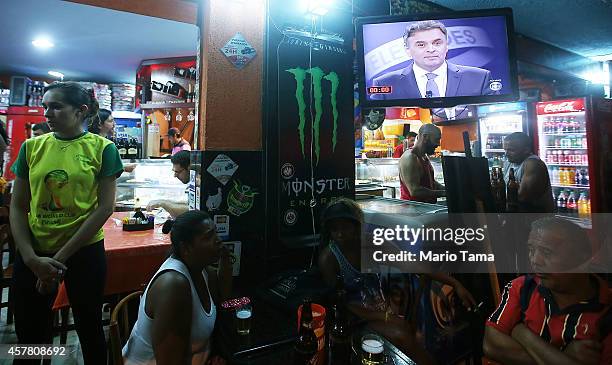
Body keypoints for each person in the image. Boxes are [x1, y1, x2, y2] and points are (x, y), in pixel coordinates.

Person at [10, 81, 123, 365]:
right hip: (34, 252)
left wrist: (58, 260)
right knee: (30, 333)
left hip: (83, 252)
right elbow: (19, 205)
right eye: (46, 106)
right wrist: (31, 258)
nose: (47, 113)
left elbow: (104, 208)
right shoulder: (31, 148)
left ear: (81, 110)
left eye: (56, 106)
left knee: (89, 327)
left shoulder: (103, 148)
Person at [318, 198, 475, 365]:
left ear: (357, 226)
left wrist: (455, 283)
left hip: (381, 311)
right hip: (353, 319)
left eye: (345, 227)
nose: (340, 234)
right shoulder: (329, 258)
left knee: (412, 335)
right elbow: (340, 303)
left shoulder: (371, 243)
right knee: (402, 334)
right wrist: (385, 317)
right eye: (335, 229)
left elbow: (412, 264)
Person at [484, 217, 612, 365]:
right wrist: (562, 356)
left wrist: (522, 333)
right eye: (531, 250)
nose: (535, 260)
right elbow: (490, 345)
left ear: (581, 258)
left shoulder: (606, 313)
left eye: (546, 252)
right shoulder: (522, 288)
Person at [123, 210, 232, 365]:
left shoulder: (201, 269)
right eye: (209, 237)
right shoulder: (174, 286)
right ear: (186, 248)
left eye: (215, 233)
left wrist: (226, 259)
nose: (218, 240)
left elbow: (224, 297)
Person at [371, 20, 493, 101]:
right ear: (407, 50)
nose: (431, 49)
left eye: (437, 43)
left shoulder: (480, 78)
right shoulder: (383, 84)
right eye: (421, 45)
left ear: (447, 46)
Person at [502, 132, 555, 213]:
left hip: (537, 221)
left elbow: (522, 197)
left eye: (511, 150)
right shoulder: (509, 163)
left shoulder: (533, 164)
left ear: (526, 150)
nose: (506, 154)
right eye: (505, 150)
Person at [398, 123, 445, 203]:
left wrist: (447, 189)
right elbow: (415, 191)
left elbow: (430, 183)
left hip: (424, 209)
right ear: (425, 137)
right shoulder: (410, 157)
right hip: (413, 212)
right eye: (437, 139)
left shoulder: (424, 157)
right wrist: (443, 193)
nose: (438, 144)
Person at [146, 150, 190, 218]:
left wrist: (163, 203)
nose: (175, 175)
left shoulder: (199, 184)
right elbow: (188, 204)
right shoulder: (192, 183)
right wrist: (164, 202)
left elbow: (191, 210)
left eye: (177, 172)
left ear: (189, 168)